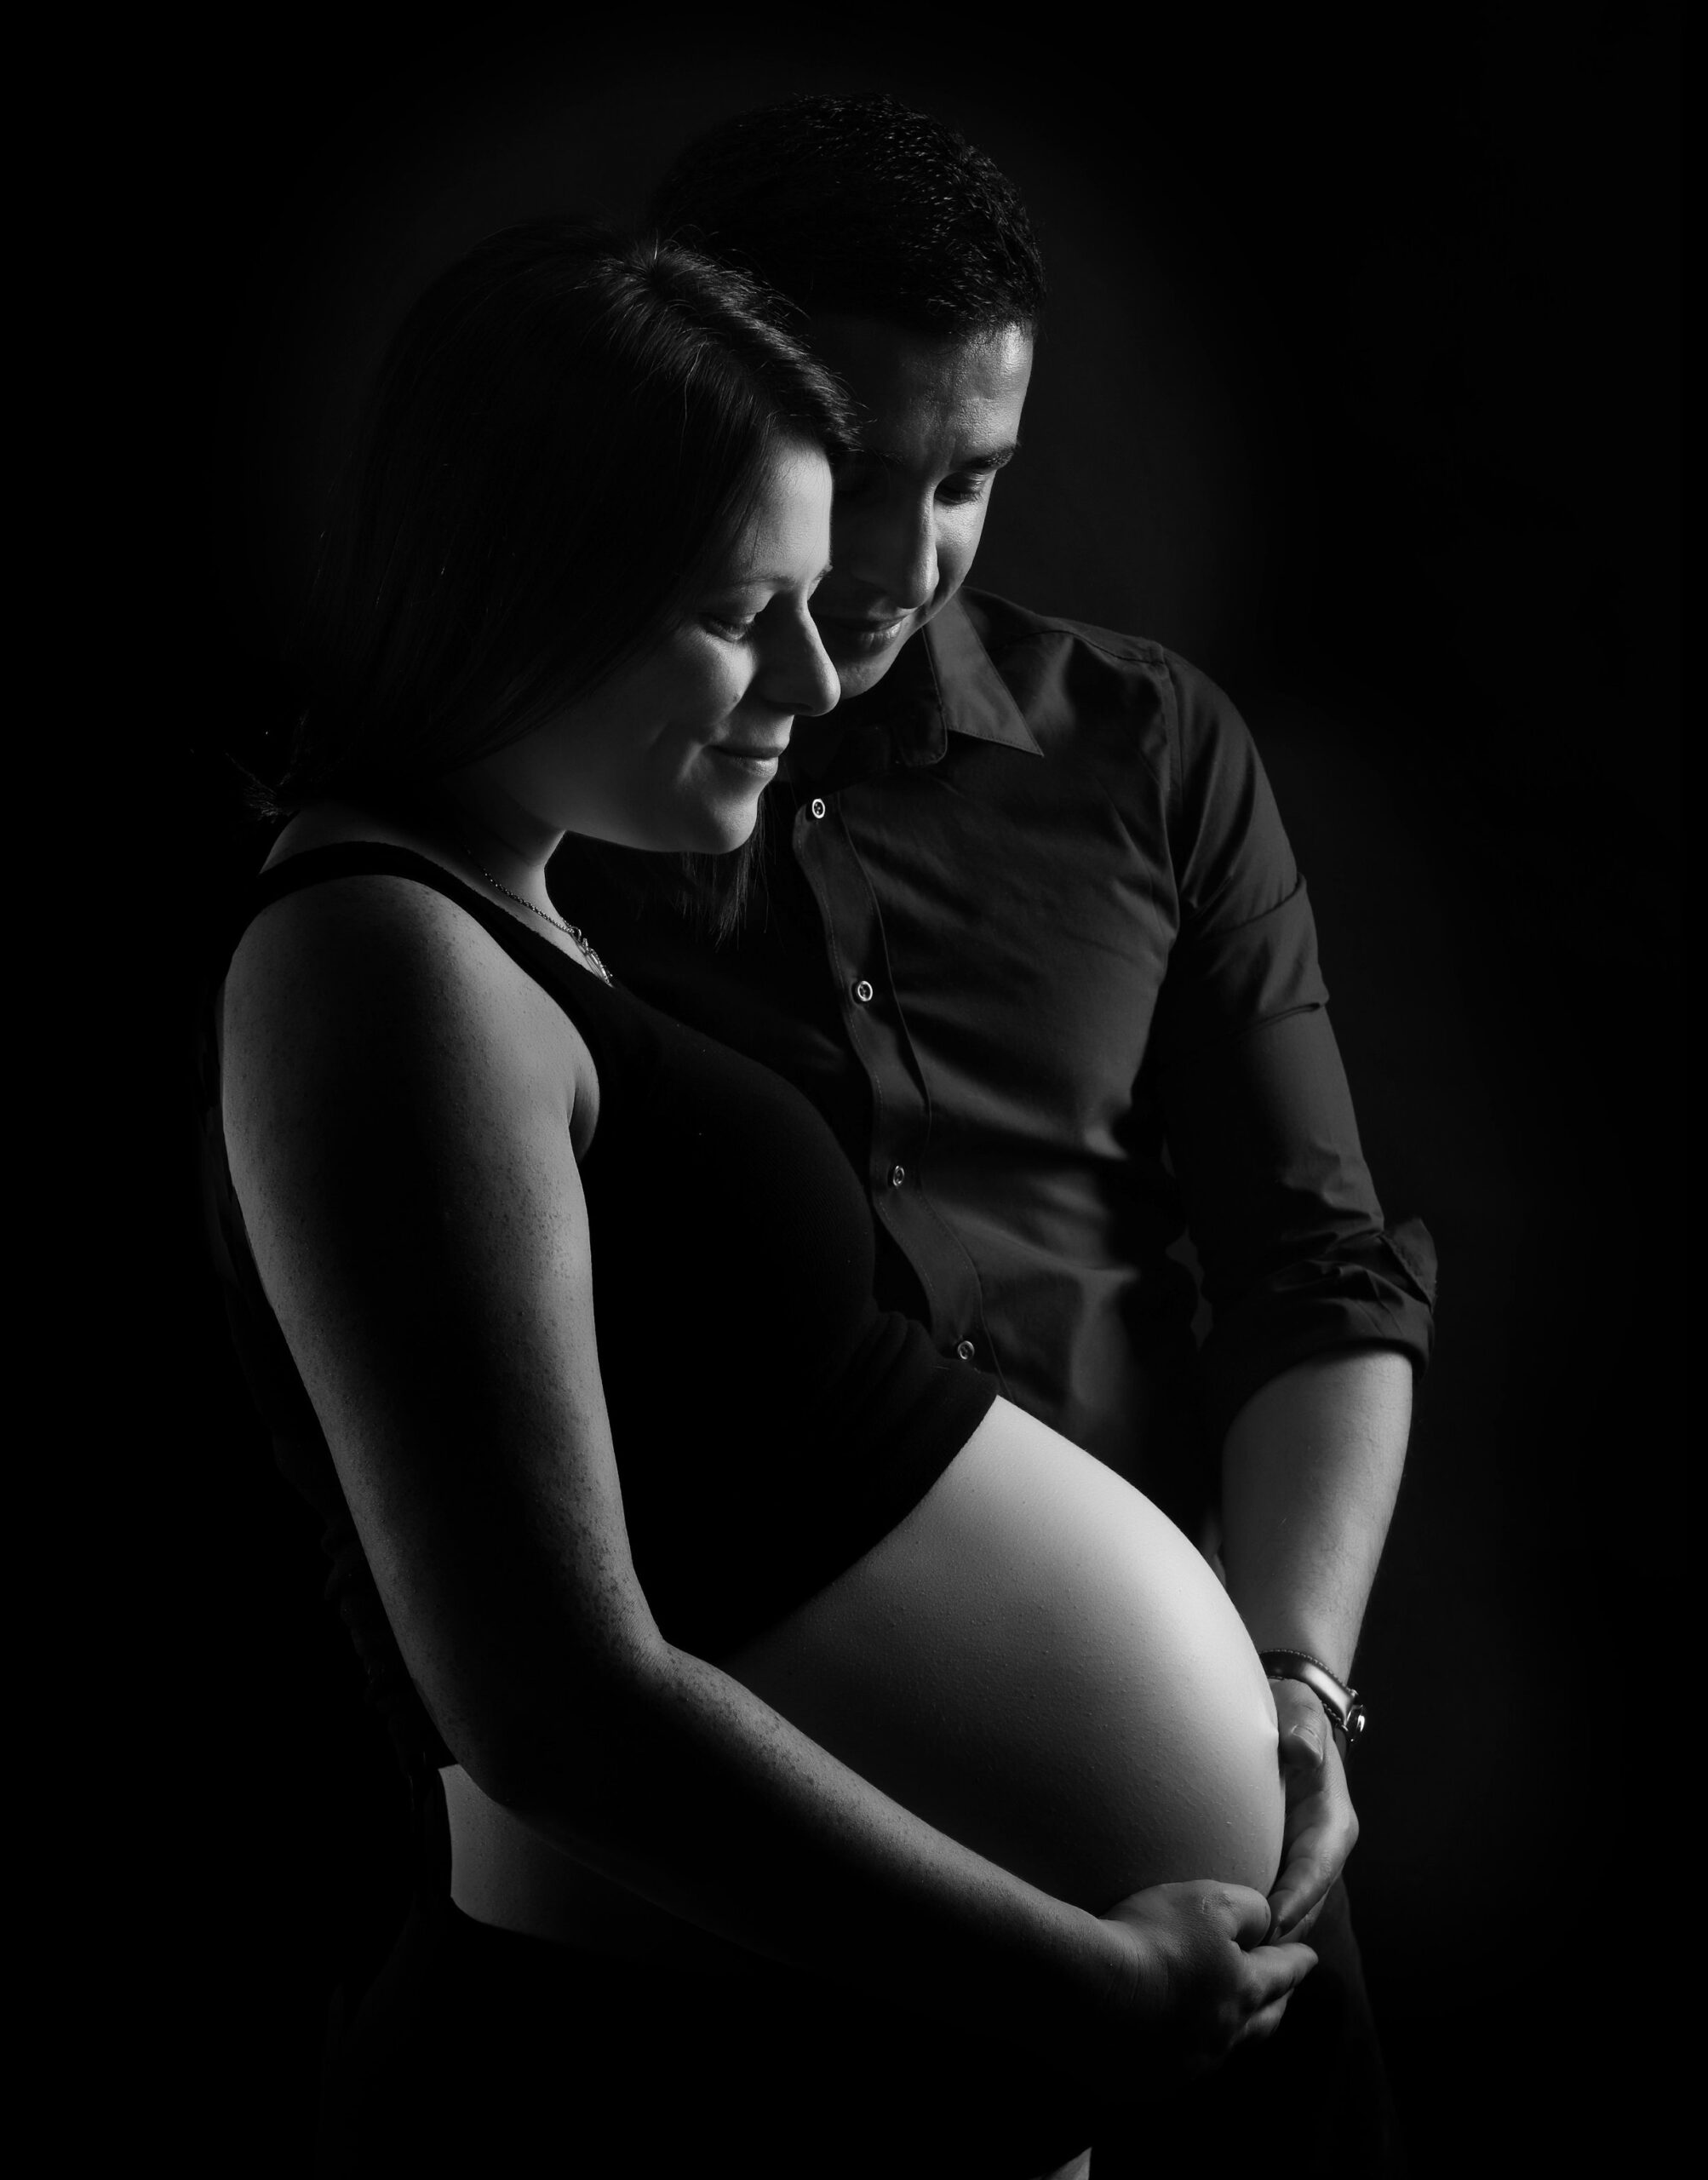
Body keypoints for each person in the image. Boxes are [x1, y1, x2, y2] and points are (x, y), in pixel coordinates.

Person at [198, 221, 1316, 2179]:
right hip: (651, 2073)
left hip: (814, 2048)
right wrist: (1067, 1976)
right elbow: (549, 1695)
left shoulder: (512, 917)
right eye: (743, 613)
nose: (817, 673)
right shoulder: (377, 960)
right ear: (520, 588)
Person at [553, 95, 1439, 2177]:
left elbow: (1314, 1268)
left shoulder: (1148, 753)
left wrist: (1294, 1688)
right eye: (855, 470)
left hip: (1227, 1899)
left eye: (969, 480)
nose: (907, 557)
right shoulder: (557, 818)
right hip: (750, 1888)